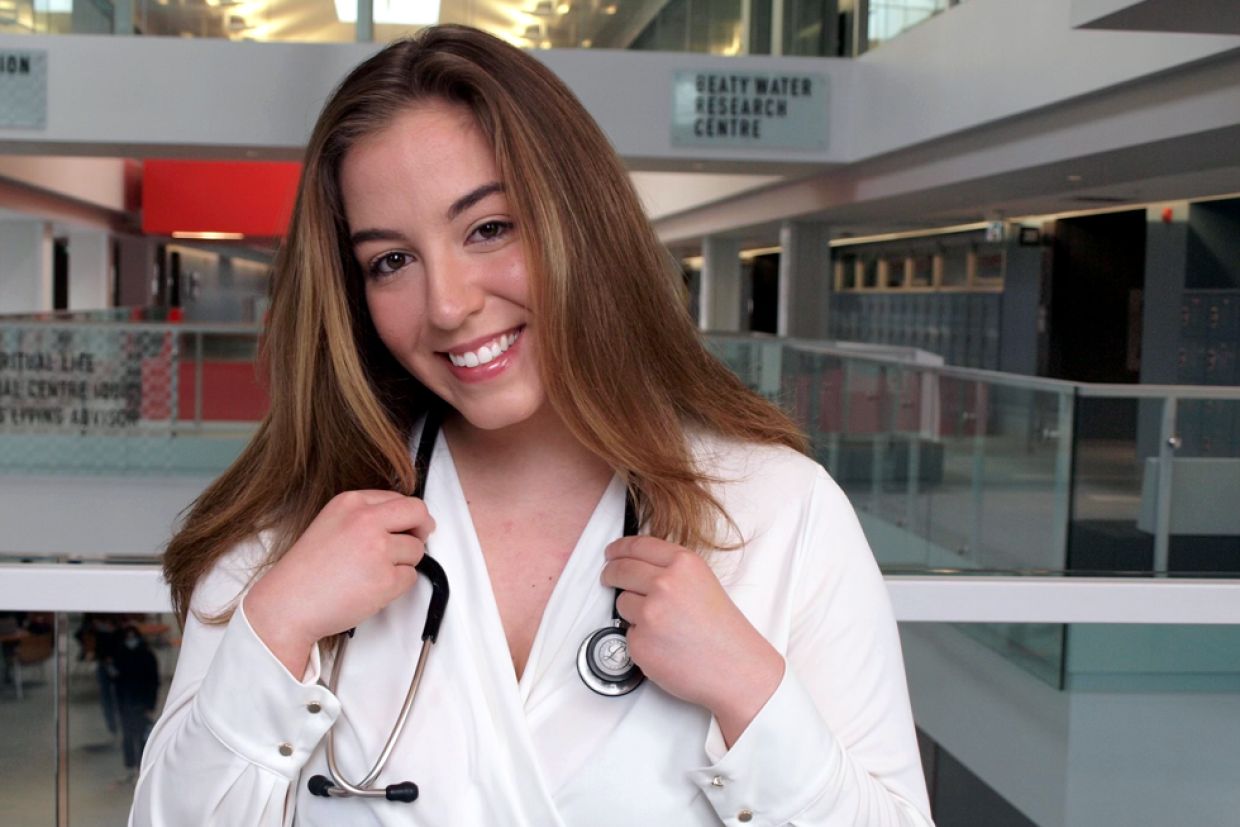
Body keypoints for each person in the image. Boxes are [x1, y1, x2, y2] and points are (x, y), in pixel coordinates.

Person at [131, 25, 933, 827]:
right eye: (391, 261)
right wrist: (274, 631)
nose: (448, 304)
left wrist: (750, 690)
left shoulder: (781, 513)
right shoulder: (287, 540)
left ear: (581, 223)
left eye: (489, 228)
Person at [112, 625, 160, 783]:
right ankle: (130, 767)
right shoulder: (120, 655)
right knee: (128, 736)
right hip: (126, 704)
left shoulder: (147, 656)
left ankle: (141, 768)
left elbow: (153, 682)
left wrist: (150, 705)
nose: (130, 640)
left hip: (141, 703)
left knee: (142, 737)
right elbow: (117, 682)